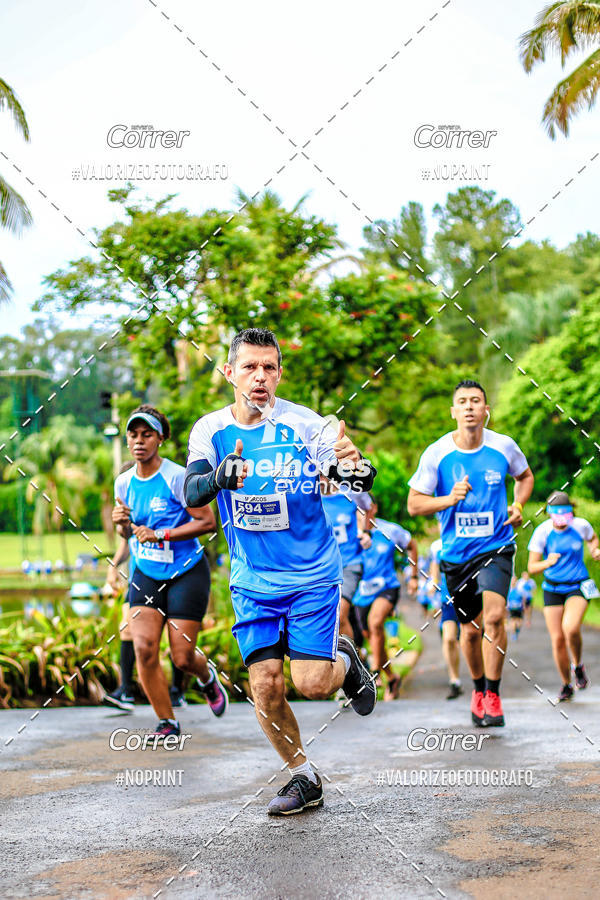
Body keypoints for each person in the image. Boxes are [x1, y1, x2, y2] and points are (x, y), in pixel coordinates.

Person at [184, 328, 377, 816]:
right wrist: (218, 477)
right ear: (229, 372)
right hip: (253, 581)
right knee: (265, 685)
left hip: (311, 574)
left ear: (279, 374)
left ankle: (346, 662)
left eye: (269, 367)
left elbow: (345, 475)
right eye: (249, 367)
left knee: (312, 683)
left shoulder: (306, 425)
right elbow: (192, 491)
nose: (260, 377)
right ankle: (302, 776)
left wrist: (358, 469)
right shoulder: (210, 431)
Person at [407, 379, 534, 727]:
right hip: (456, 555)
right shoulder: (437, 454)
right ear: (453, 412)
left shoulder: (504, 447)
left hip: (496, 546)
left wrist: (519, 504)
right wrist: (449, 499)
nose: (468, 406)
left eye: (475, 400)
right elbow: (414, 504)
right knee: (472, 631)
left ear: (485, 410)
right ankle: (477, 689)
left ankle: (493, 694)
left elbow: (525, 476)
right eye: (462, 401)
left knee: (495, 617)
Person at [113, 405, 228, 741]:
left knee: (181, 656)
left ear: (160, 438)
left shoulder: (177, 477)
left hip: (186, 571)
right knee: (144, 648)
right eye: (133, 435)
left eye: (146, 434)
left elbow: (207, 523)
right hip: (146, 572)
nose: (139, 441)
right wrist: (122, 527)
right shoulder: (123, 482)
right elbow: (128, 534)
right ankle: (168, 723)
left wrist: (160, 534)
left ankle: (206, 678)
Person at [103, 525, 187, 711]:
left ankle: (177, 691)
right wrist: (113, 566)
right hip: (140, 578)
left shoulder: (169, 503)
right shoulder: (132, 501)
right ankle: (126, 690)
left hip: (170, 574)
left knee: (173, 632)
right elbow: (128, 541)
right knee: (126, 629)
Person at [527, 491, 600, 701]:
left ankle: (577, 665)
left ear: (571, 513)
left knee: (570, 628)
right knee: (558, 639)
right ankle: (566, 684)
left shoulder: (581, 525)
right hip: (552, 588)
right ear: (549, 515)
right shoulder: (542, 532)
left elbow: (592, 538)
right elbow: (532, 567)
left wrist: (595, 550)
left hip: (578, 585)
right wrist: (547, 563)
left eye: (565, 518)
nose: (561, 524)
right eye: (557, 519)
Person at [353, 517, 417, 700]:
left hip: (387, 587)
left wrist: (413, 576)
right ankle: (392, 677)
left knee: (375, 623)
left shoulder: (390, 530)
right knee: (371, 636)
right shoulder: (349, 533)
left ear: (372, 508)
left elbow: (412, 545)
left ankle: (374, 672)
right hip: (361, 592)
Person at [320, 476, 376, 643]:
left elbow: (368, 508)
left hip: (350, 564)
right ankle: (351, 657)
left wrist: (366, 532)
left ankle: (352, 662)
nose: (320, 477)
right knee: (327, 618)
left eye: (323, 472)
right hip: (323, 568)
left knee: (340, 613)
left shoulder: (350, 493)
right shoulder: (310, 499)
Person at [429, 534, 462, 699]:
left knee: (471, 638)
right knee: (449, 639)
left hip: (469, 596)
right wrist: (431, 588)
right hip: (447, 600)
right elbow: (434, 574)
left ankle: (484, 681)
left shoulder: (467, 539)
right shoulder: (437, 546)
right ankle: (454, 680)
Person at [506, 575, 525, 640]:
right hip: (514, 607)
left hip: (516, 607)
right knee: (515, 620)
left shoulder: (510, 590)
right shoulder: (517, 589)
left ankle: (514, 633)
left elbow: (523, 598)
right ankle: (515, 633)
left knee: (516, 621)